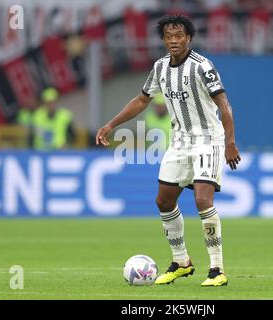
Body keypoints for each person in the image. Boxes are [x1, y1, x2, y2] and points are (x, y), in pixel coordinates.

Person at [96, 15, 240, 286]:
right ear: (163, 39)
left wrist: (230, 142)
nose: (174, 41)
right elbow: (142, 100)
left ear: (189, 38)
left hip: (208, 139)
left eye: (179, 36)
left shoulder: (202, 66)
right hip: (179, 142)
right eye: (169, 37)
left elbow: (224, 105)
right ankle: (182, 261)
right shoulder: (160, 67)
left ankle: (217, 269)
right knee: (163, 201)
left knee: (202, 201)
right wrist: (111, 124)